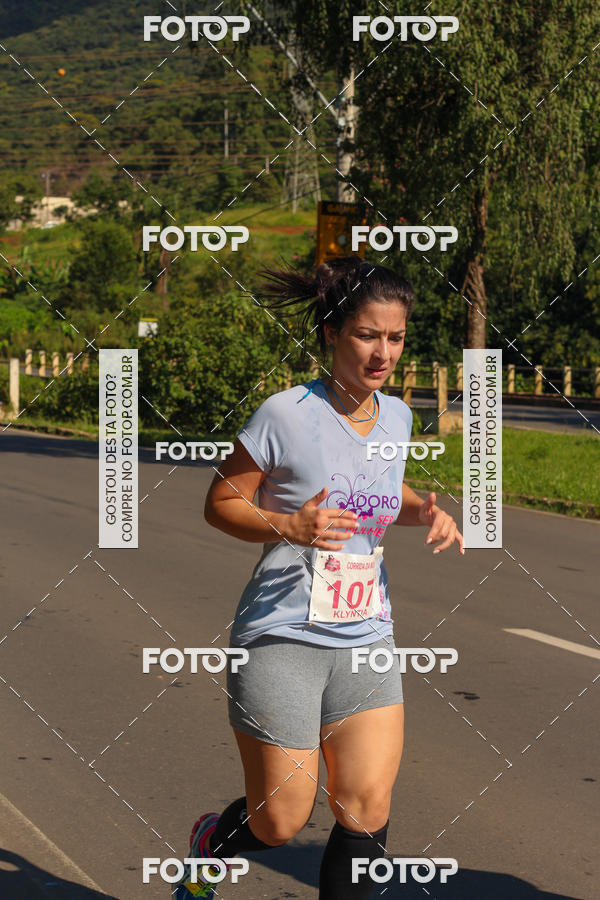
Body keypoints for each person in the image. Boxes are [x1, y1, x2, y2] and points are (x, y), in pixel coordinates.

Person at [174, 256, 464, 899]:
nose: (382, 351)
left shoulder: (397, 417)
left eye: (395, 337)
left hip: (366, 635)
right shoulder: (285, 413)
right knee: (280, 820)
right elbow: (221, 502)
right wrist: (288, 525)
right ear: (333, 333)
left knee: (366, 808)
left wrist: (426, 511)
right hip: (282, 634)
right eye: (368, 335)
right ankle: (208, 846)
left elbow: (382, 488)